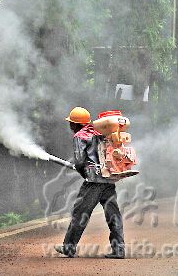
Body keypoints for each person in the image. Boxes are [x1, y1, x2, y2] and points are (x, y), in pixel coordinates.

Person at [54, 106, 125, 259]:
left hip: (93, 181)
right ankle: (119, 249)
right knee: (113, 214)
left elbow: (79, 161)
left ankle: (69, 247)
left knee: (80, 212)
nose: (70, 126)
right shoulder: (99, 132)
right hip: (108, 178)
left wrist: (82, 171)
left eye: (71, 123)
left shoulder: (80, 136)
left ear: (76, 124)